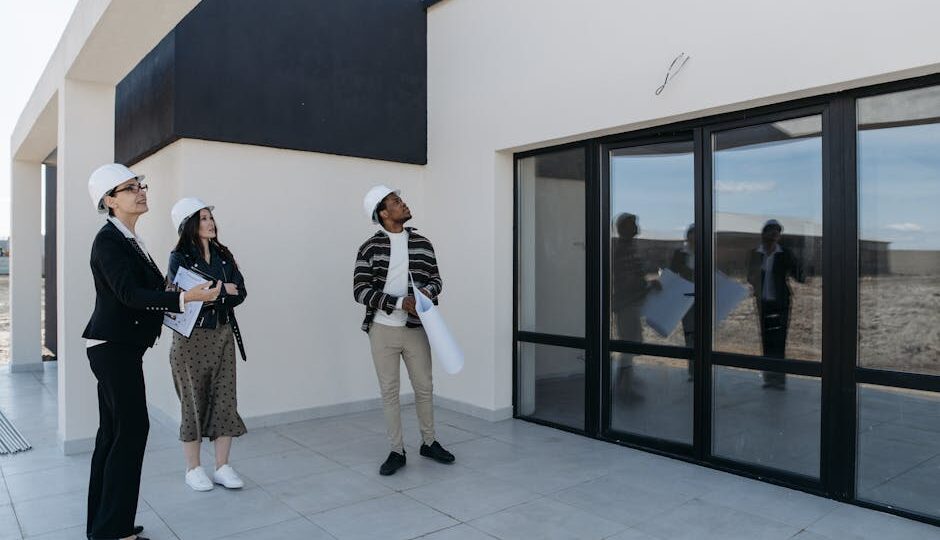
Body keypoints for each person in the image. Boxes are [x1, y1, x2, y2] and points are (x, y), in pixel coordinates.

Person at [83, 164, 220, 540]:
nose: (141, 192)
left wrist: (185, 290)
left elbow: (151, 287)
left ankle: (106, 527)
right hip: (114, 348)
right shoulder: (109, 241)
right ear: (109, 200)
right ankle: (115, 530)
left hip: (119, 348)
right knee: (129, 431)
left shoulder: (129, 239)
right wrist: (184, 296)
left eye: (140, 185)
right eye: (130, 188)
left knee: (113, 435)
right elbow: (130, 295)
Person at [353, 185, 455, 476]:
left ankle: (429, 442)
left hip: (416, 328)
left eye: (402, 200)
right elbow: (360, 291)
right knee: (390, 392)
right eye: (397, 202)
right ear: (384, 213)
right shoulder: (369, 248)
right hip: (382, 329)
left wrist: (425, 294)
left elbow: (436, 279)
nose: (404, 204)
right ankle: (396, 451)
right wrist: (399, 302)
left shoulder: (422, 242)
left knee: (425, 387)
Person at [167, 198, 249, 492]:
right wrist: (221, 290)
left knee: (225, 399)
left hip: (223, 334)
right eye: (202, 218)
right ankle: (193, 469)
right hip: (191, 340)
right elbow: (182, 295)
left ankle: (222, 466)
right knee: (193, 402)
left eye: (210, 217)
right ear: (189, 224)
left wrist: (215, 293)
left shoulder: (224, 255)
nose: (210, 222)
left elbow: (240, 291)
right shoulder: (179, 257)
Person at [746, 219, 805, 389]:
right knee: (766, 340)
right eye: (771, 233)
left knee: (779, 341)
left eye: (777, 234)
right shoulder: (755, 253)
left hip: (780, 303)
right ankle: (768, 378)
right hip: (763, 303)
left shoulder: (784, 253)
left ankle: (779, 380)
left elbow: (800, 276)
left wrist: (800, 263)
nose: (773, 237)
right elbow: (749, 276)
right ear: (763, 234)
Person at [610, 213, 659, 398]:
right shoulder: (624, 250)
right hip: (627, 303)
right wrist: (649, 285)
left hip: (630, 303)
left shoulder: (627, 248)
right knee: (629, 345)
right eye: (634, 224)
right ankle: (624, 387)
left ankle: (624, 380)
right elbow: (628, 281)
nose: (638, 227)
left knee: (631, 343)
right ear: (625, 228)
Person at [669, 224, 696, 379]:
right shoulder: (679, 254)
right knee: (689, 334)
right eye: (693, 234)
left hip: (702, 298)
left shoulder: (706, 250)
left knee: (702, 335)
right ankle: (692, 369)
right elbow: (672, 273)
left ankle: (702, 366)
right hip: (685, 299)